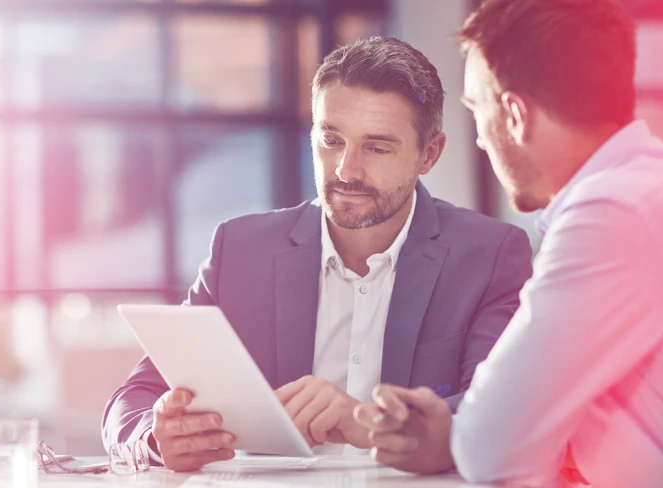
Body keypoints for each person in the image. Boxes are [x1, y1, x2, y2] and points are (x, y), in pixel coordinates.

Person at [102, 37, 533, 473]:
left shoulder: (490, 256)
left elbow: (500, 411)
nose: (346, 170)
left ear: (430, 153)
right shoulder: (240, 251)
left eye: (377, 148)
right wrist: (155, 437)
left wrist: (362, 421)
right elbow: (132, 400)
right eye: (331, 140)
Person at [354, 1, 663, 487]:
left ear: (513, 114)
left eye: (476, 111)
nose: (481, 140)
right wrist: (461, 425)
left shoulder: (613, 213)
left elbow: (491, 449)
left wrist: (457, 435)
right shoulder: (654, 186)